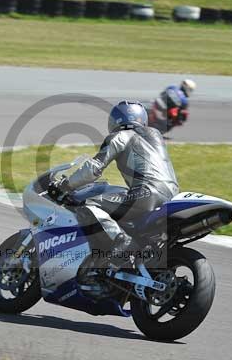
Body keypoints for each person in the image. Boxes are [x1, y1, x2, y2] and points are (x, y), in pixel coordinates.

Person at [50, 100, 179, 268]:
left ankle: (121, 242)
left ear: (115, 120)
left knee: (87, 206)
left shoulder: (120, 136)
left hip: (146, 193)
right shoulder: (156, 136)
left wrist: (66, 185)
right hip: (173, 197)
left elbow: (93, 169)